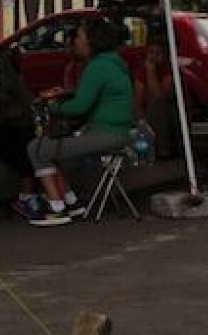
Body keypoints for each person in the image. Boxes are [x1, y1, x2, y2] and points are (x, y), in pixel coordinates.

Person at [26, 17, 133, 226]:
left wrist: (51, 106)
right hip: (117, 132)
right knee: (53, 150)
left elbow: (79, 107)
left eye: (80, 36)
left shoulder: (98, 67)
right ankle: (71, 201)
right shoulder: (113, 62)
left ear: (92, 40)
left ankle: (56, 207)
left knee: (37, 148)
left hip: (105, 134)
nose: (75, 40)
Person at [0, 12, 53, 224]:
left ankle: (30, 194)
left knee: (28, 138)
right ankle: (28, 195)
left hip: (6, 113)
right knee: (23, 142)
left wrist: (27, 105)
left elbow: (16, 87)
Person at [134, 36, 178, 160]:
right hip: (147, 113)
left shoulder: (168, 70)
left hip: (167, 112)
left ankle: (164, 150)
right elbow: (137, 99)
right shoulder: (141, 72)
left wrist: (151, 72)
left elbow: (158, 95)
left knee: (158, 107)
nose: (153, 57)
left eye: (157, 53)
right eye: (151, 53)